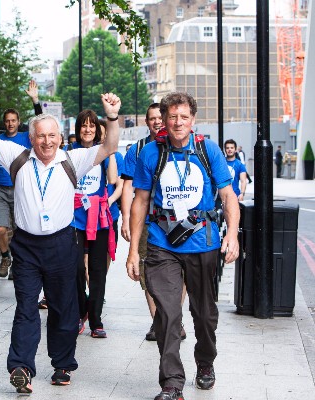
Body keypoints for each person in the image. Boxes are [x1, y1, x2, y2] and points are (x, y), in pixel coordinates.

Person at [0, 87, 120, 393]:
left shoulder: (74, 159)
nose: (46, 141)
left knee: (63, 307)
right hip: (27, 247)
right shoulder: (17, 156)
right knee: (26, 307)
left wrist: (111, 116)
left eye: (51, 135)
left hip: (61, 243)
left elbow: (109, 145)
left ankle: (62, 365)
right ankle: (21, 366)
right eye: (40, 136)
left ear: (59, 137)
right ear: (32, 137)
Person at [125, 92, 240, 400]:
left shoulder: (208, 150)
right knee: (166, 312)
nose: (177, 122)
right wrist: (134, 250)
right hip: (162, 244)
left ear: (193, 120)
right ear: (164, 119)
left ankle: (205, 363)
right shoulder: (151, 153)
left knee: (203, 314)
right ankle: (172, 383)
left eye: (183, 117)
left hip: (202, 243)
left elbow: (228, 196)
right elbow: (140, 202)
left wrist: (233, 235)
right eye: (172, 116)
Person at [120, 103, 187, 342]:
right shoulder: (138, 149)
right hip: (147, 221)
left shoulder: (182, 146)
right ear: (146, 122)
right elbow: (128, 186)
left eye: (161, 117)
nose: (157, 122)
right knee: (148, 272)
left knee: (180, 271)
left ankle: (173, 319)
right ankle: (159, 321)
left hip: (178, 221)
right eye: (152, 119)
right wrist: (126, 218)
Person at [0, 80, 43, 279]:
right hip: (0, 190)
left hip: (20, 190)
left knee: (19, 231)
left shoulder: (26, 138)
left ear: (18, 121)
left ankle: (18, 263)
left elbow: (41, 122)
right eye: (7, 121)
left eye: (13, 120)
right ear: (4, 122)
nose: (10, 124)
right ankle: (6, 257)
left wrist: (35, 100)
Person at [71, 112, 118, 338]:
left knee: (98, 271)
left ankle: (96, 320)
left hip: (98, 219)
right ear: (78, 129)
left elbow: (113, 181)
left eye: (92, 126)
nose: (88, 130)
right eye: (84, 126)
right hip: (74, 218)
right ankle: (82, 310)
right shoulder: (68, 153)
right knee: (77, 268)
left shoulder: (103, 153)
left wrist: (110, 151)